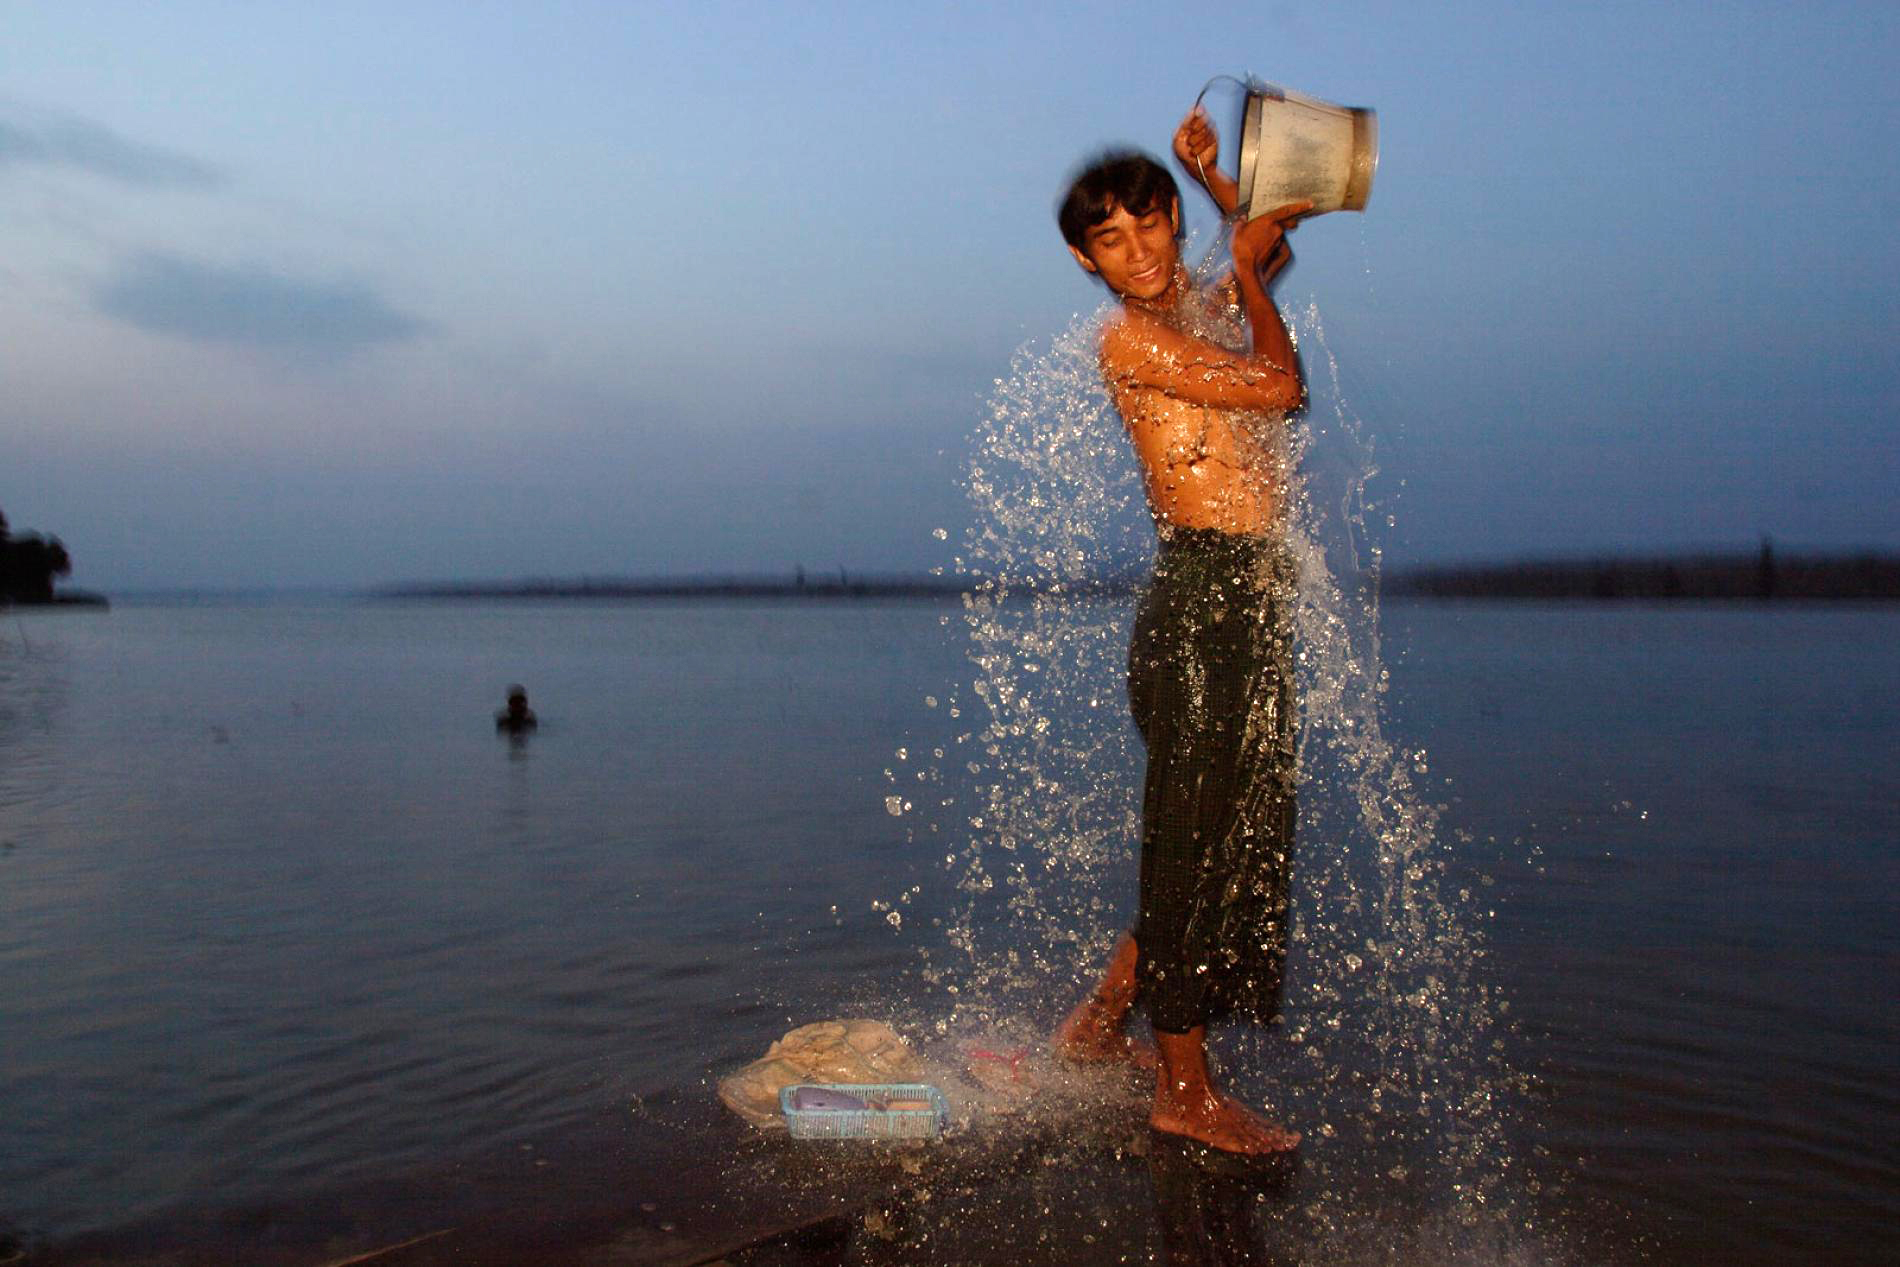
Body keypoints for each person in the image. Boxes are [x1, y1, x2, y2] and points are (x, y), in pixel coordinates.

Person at [1050, 106, 1310, 1155]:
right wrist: (1245, 267)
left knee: (1224, 833)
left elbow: (1265, 254)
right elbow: (1279, 385)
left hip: (1246, 595)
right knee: (1193, 843)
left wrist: (1220, 192)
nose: (1141, 250)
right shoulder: (1130, 338)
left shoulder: (1188, 307)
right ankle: (1182, 1088)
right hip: (1199, 604)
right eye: (1113, 239)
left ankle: (1102, 1021)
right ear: (1087, 260)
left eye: (1153, 224)